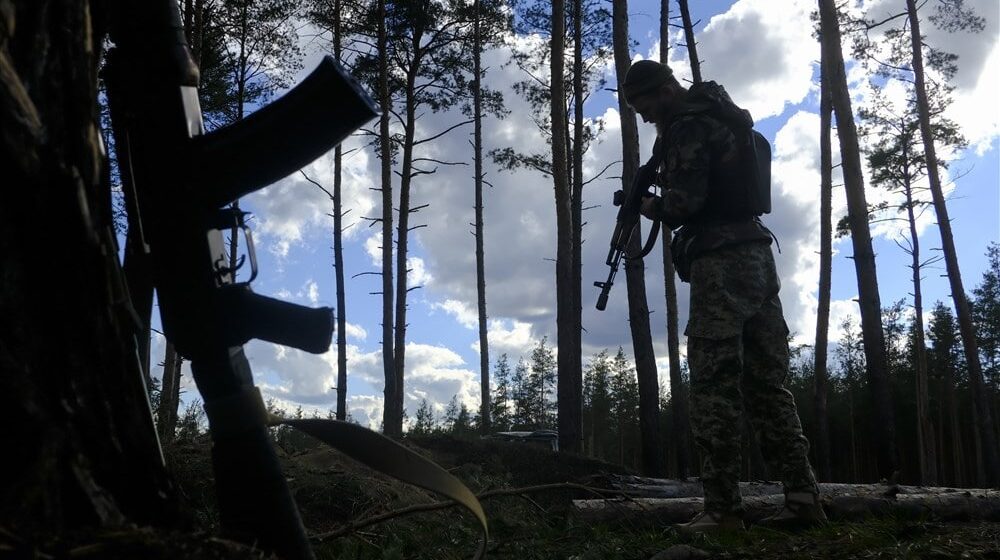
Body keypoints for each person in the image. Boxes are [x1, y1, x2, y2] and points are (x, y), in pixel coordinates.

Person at [621, 59, 826, 532]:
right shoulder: (723, 117)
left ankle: (722, 511)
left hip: (721, 266)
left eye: (646, 102)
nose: (644, 113)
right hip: (757, 258)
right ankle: (802, 498)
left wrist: (648, 204)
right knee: (768, 386)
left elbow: (684, 204)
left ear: (667, 89)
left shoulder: (688, 125)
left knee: (714, 389)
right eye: (636, 106)